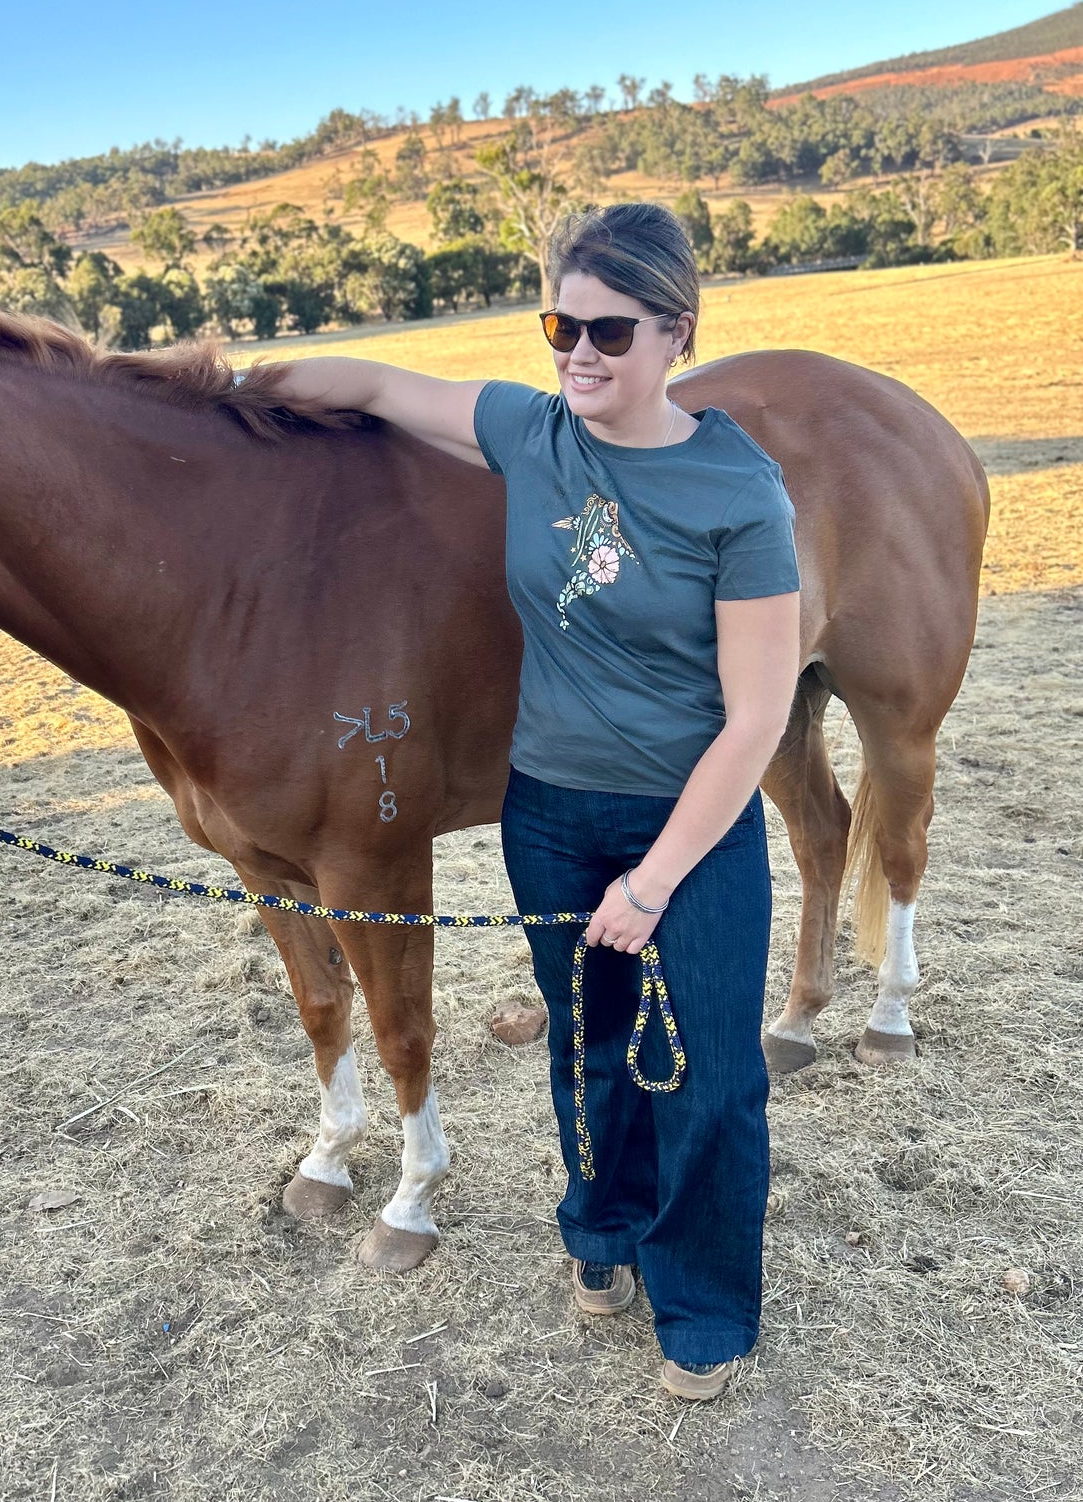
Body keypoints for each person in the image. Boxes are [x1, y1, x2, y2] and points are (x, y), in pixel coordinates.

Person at [263, 203, 800, 1401]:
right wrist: (214, 387)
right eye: (559, 323)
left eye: (610, 330)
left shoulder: (736, 494)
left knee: (706, 1072)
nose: (579, 352)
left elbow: (757, 718)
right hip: (547, 812)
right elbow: (377, 385)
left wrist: (652, 880)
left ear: (675, 332)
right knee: (588, 1047)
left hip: (687, 826)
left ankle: (702, 1295)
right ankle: (600, 1233)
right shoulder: (530, 430)